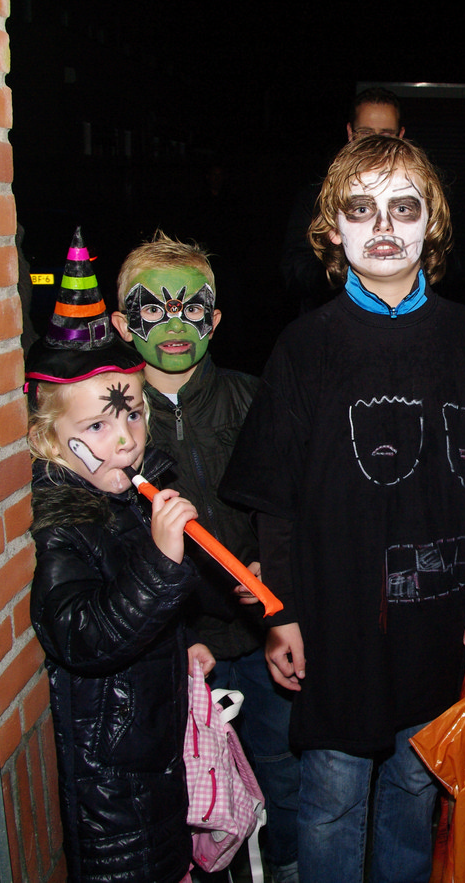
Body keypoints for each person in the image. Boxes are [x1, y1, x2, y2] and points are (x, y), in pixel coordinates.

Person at [219, 135, 465, 883]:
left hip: (439, 615)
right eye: (361, 209)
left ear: (433, 222)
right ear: (333, 229)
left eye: (404, 207)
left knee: (414, 787)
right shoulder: (305, 346)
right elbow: (274, 501)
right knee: (331, 797)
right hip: (336, 621)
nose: (384, 226)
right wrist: (280, 611)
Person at [110, 234, 300, 883]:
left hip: (259, 633)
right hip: (173, 646)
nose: (172, 326)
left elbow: (292, 502)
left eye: (190, 309)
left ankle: (288, 864)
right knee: (192, 783)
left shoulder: (252, 399)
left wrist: (278, 573)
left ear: (214, 320)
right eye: (151, 309)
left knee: (280, 766)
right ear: (122, 324)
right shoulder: (112, 420)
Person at [23, 230, 209, 883]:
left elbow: (144, 618)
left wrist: (183, 644)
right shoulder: (63, 524)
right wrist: (161, 561)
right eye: (97, 426)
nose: (124, 440)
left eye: (131, 417)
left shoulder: (128, 495)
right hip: (108, 793)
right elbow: (83, 634)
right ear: (51, 440)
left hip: (154, 766)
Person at [281, 87, 405, 314]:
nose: (374, 144)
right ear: (350, 133)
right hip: (330, 320)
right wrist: (338, 269)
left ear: (400, 136)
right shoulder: (317, 196)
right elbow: (293, 270)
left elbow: (445, 265)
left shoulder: (418, 196)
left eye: (385, 136)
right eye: (365, 134)